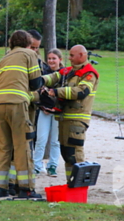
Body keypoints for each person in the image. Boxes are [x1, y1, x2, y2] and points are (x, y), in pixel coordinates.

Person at [0, 30, 43, 198]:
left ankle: (0, 188)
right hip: (18, 103)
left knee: (3, 146)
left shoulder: (3, 59)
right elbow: (36, 83)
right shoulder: (30, 54)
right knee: (22, 146)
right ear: (28, 44)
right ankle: (26, 188)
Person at [41, 44, 99, 182]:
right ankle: (71, 184)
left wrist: (55, 91)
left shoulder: (89, 74)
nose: (69, 58)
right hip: (65, 119)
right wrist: (39, 80)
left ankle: (79, 187)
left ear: (82, 56)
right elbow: (53, 77)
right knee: (67, 154)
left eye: (72, 55)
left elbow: (81, 92)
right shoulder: (68, 71)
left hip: (77, 121)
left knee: (75, 156)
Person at [33, 49, 64, 177]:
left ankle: (52, 165)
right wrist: (42, 106)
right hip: (45, 110)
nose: (51, 61)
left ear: (59, 60)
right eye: (49, 58)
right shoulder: (43, 74)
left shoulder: (64, 75)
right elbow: (39, 93)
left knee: (55, 141)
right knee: (41, 138)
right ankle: (37, 165)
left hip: (57, 111)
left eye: (54, 58)